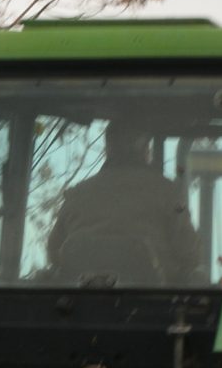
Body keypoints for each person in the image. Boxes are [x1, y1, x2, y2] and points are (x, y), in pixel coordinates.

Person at [44, 119, 194, 284]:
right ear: (145, 149)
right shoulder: (168, 192)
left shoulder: (77, 194)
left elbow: (54, 252)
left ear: (108, 148)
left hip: (78, 301)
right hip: (154, 302)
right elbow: (190, 252)